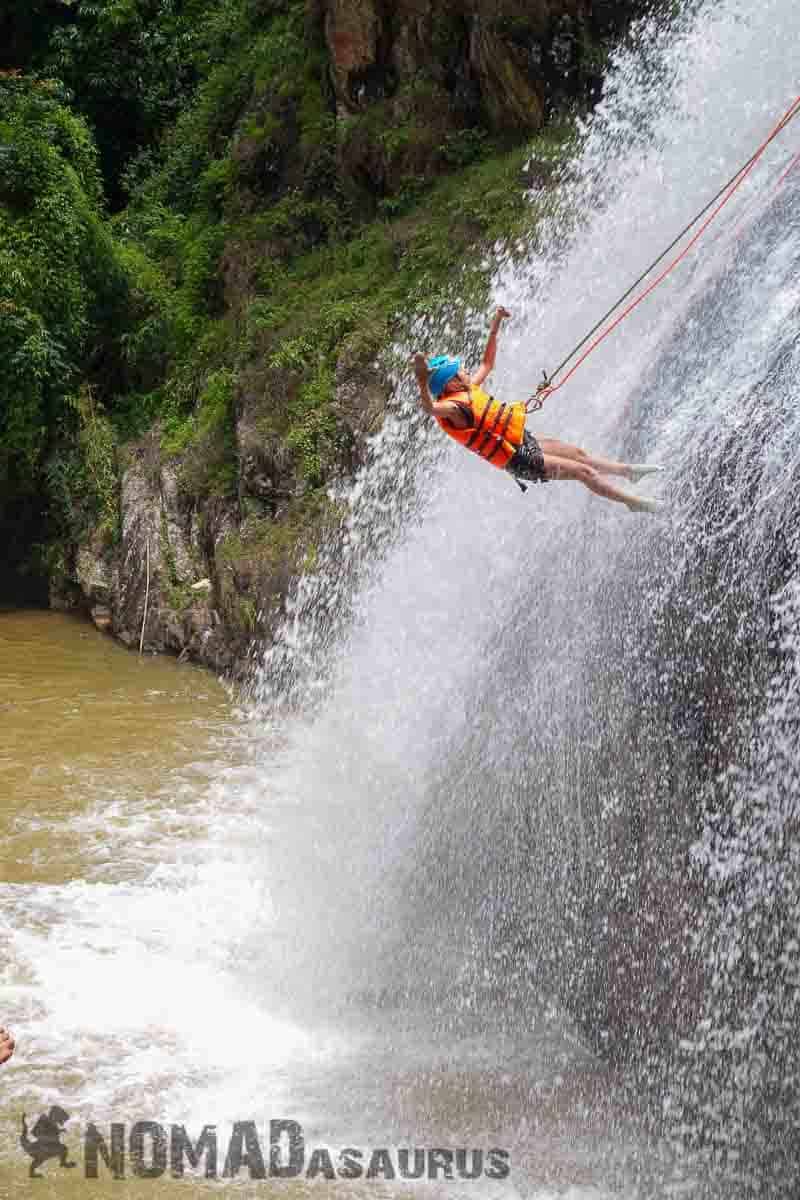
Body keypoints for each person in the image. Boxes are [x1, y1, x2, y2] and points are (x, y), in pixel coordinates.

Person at [411, 307, 662, 513]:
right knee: (582, 472)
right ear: (450, 381)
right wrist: (422, 380)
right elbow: (429, 408)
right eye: (460, 371)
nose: (465, 371)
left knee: (578, 454)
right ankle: (632, 502)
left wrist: (495, 326)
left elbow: (487, 364)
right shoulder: (454, 407)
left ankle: (628, 473)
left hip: (521, 440)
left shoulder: (466, 391)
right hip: (519, 460)